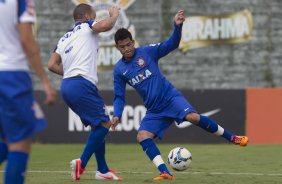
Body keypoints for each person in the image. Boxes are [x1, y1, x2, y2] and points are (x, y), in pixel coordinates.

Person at [112, 10, 249, 181]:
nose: (126, 49)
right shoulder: (119, 70)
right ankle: (165, 172)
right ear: (117, 47)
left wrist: (177, 26)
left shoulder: (147, 52)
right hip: (154, 109)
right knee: (142, 136)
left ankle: (233, 138)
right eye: (122, 47)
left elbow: (172, 44)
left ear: (133, 42)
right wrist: (117, 115)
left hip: (170, 98)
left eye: (128, 45)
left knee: (193, 117)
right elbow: (119, 97)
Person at [48, 3, 122, 181]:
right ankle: (81, 163)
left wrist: (70, 72)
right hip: (82, 84)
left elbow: (51, 65)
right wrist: (113, 15)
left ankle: (102, 170)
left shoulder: (64, 38)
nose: (95, 19)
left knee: (98, 125)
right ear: (87, 16)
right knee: (105, 124)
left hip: (67, 86)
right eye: (94, 16)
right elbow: (106, 25)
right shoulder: (87, 26)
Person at [0, 0, 57, 184]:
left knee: (5, 139)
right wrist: (45, 80)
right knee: (20, 142)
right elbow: (26, 39)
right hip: (10, 75)